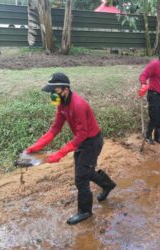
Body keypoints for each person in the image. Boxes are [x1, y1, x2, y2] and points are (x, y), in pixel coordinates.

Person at [25, 72, 116, 225]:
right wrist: (36, 146)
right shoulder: (61, 103)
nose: (53, 95)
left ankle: (85, 211)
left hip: (91, 142)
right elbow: (55, 128)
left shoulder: (78, 105)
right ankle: (108, 185)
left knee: (81, 177)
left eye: (55, 91)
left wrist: (60, 153)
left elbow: (82, 134)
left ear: (65, 89)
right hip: (82, 141)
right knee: (86, 171)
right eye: (51, 92)